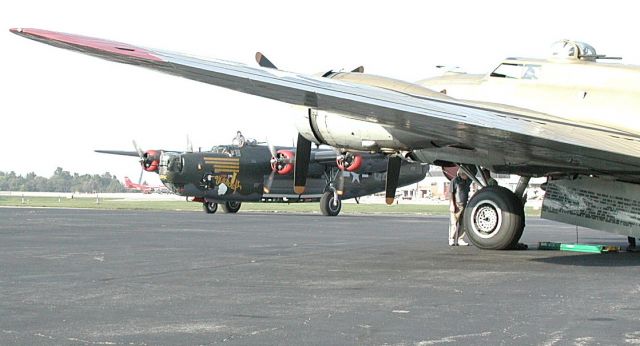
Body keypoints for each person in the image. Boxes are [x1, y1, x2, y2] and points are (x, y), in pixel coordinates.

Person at [449, 169, 472, 246]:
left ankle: (460, 239)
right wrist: (452, 204)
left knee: (463, 223)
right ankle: (451, 239)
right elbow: (451, 193)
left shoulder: (468, 181)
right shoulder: (454, 181)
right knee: (454, 223)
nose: (467, 176)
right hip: (457, 205)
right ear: (461, 174)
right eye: (466, 174)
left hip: (465, 204)